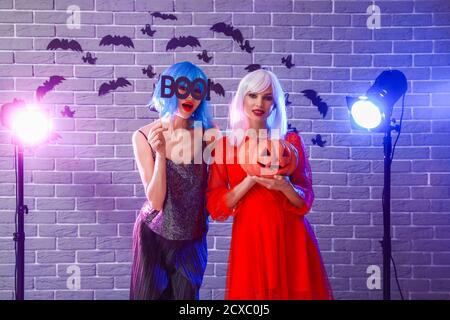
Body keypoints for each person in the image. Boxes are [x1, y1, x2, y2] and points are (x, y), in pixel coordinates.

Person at [206, 69, 333, 299]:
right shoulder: (225, 147)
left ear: (275, 104)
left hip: (290, 235)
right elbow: (216, 205)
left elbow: (305, 201)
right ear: (242, 98)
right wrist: (249, 179)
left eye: (267, 97)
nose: (259, 103)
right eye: (253, 95)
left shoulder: (290, 142)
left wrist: (285, 186)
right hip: (250, 237)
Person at [130, 61, 214, 300]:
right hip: (153, 235)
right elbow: (156, 201)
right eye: (182, 88)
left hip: (191, 236)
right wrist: (162, 155)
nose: (190, 96)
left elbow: (217, 187)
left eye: (197, 90)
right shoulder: (144, 136)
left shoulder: (208, 133)